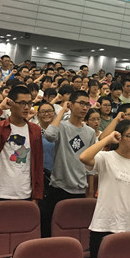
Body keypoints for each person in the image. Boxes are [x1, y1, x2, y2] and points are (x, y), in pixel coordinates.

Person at [79, 120, 130, 258]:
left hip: (128, 226)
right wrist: (107, 139)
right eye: (129, 136)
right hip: (103, 225)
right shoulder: (106, 157)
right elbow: (84, 157)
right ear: (119, 137)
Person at [41, 90, 96, 236]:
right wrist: (62, 111)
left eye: (87, 104)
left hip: (80, 188)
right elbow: (49, 135)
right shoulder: (62, 126)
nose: (84, 107)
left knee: (75, 230)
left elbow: (90, 164)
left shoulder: (90, 132)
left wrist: (90, 190)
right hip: (59, 187)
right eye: (81, 103)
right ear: (70, 104)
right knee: (53, 230)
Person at [0, 86, 43, 203]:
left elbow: (38, 163)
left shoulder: (34, 129)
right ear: (11, 103)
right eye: (22, 103)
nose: (26, 107)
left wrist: (37, 195)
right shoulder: (0, 127)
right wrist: (0, 108)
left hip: (25, 192)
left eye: (29, 103)